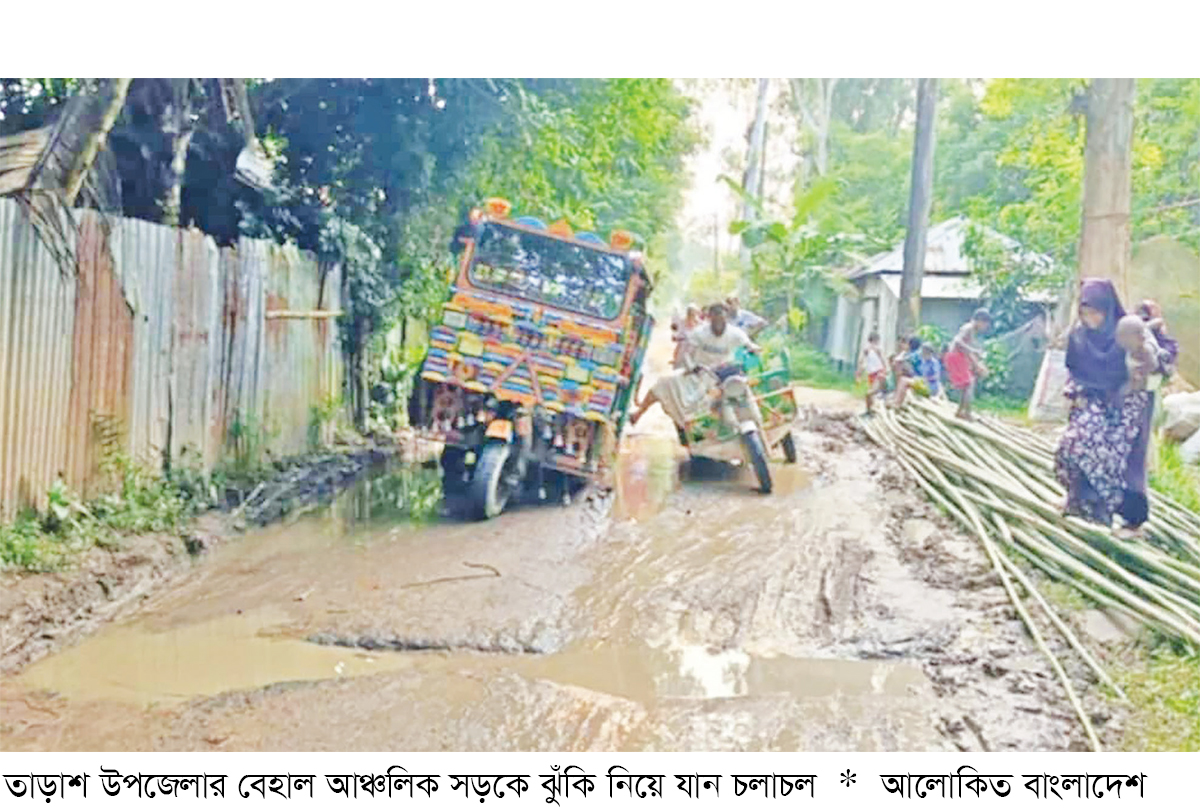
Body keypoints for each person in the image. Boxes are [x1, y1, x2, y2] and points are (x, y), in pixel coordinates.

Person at [1054, 279, 1137, 528]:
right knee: (1069, 448)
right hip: (1086, 402)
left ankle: (1101, 509)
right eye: (1085, 313)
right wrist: (1074, 395)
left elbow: (1137, 375)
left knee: (1103, 457)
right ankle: (1076, 500)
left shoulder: (1123, 337)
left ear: (1108, 310)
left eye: (1095, 313)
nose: (1090, 319)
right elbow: (1073, 370)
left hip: (1118, 409)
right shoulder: (1079, 336)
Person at [630, 303, 760, 427]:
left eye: (722, 319)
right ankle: (639, 412)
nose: (719, 323)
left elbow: (749, 345)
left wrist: (755, 349)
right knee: (663, 383)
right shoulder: (699, 333)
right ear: (709, 319)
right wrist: (691, 367)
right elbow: (687, 353)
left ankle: (756, 421)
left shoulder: (735, 333)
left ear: (726, 319)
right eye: (716, 319)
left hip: (723, 375)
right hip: (700, 374)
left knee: (743, 390)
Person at [944, 308, 992, 420]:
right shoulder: (968, 328)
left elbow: (967, 352)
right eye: (985, 324)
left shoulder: (972, 331)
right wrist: (973, 351)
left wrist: (977, 364)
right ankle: (967, 413)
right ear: (980, 321)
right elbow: (957, 341)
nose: (984, 328)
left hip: (959, 357)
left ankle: (961, 411)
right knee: (969, 384)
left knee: (967, 385)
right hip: (955, 356)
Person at [856, 332, 887, 416]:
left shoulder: (877, 349)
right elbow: (861, 362)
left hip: (878, 372)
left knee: (871, 392)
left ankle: (871, 410)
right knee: (872, 393)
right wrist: (859, 374)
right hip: (873, 373)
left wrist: (885, 371)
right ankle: (870, 410)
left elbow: (883, 361)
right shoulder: (868, 350)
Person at [889, 336, 922, 406]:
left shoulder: (914, 354)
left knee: (902, 377)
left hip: (916, 377)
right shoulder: (911, 354)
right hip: (913, 375)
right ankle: (896, 396)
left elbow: (902, 362)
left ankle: (897, 401)